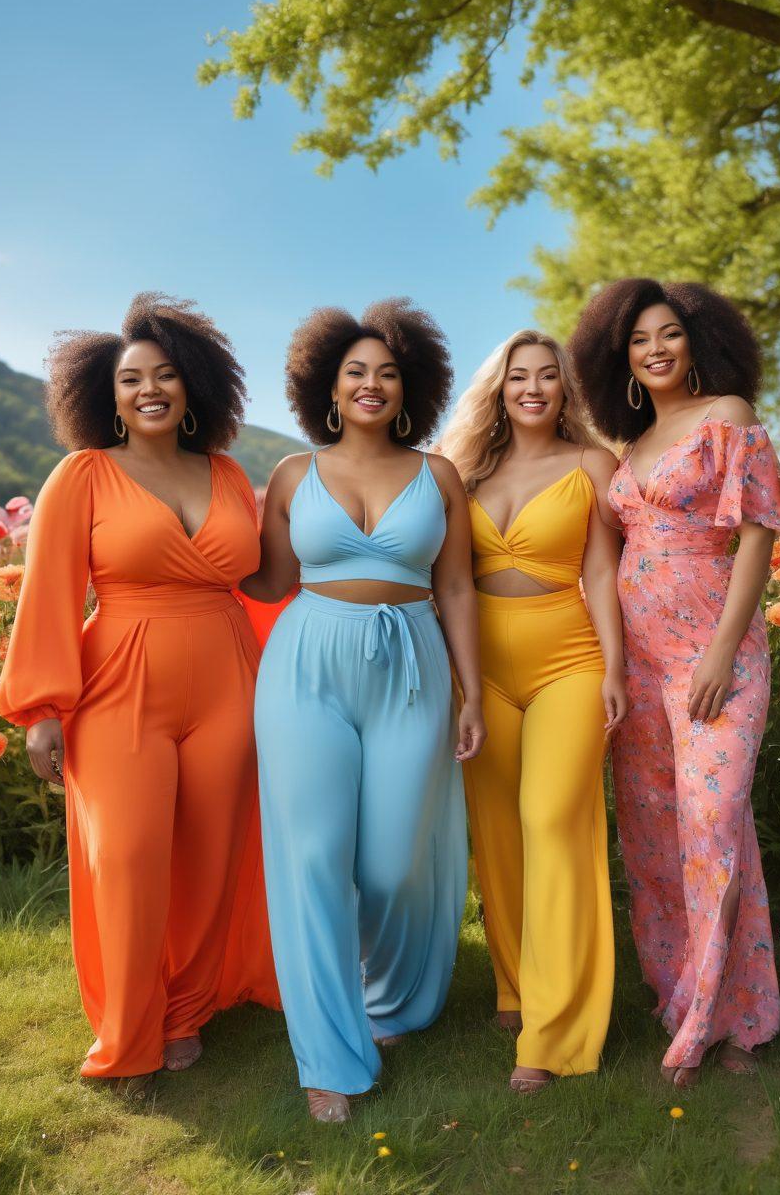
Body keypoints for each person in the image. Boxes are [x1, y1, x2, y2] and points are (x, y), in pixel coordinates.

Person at [0, 293, 279, 1094]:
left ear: (193, 385)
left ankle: (186, 1010)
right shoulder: (83, 474)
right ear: (107, 395)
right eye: (130, 379)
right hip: (119, 679)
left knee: (210, 854)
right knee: (124, 856)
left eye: (164, 374)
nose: (149, 389)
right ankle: (128, 1028)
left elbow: (261, 574)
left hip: (227, 674)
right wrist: (44, 708)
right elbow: (50, 591)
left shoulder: (226, 471)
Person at [241, 299, 485, 1122]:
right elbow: (270, 581)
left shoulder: (437, 475)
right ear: (328, 388)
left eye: (386, 372)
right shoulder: (289, 476)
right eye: (356, 373)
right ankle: (328, 1061)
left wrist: (472, 687)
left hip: (413, 667)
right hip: (306, 667)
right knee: (311, 860)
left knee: (388, 863)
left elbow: (453, 585)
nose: (372, 384)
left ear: (408, 385)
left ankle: (387, 999)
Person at [570, 278, 780, 1088]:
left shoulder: (726, 415)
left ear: (696, 340)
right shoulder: (630, 448)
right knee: (659, 843)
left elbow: (762, 532)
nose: (655, 349)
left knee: (713, 823)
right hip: (644, 659)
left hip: (714, 655)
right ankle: (712, 1003)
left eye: (668, 334)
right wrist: (617, 665)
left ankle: (703, 1026)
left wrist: (724, 652)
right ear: (618, 358)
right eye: (638, 341)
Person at [440, 330, 623, 1092]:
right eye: (520, 377)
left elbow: (604, 572)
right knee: (498, 834)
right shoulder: (464, 470)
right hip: (482, 671)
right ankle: (516, 987)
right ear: (500, 387)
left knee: (552, 822)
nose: (535, 388)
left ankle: (554, 1033)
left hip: (568, 660)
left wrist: (615, 667)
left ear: (566, 389)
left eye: (550, 376)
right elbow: (442, 578)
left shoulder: (593, 465)